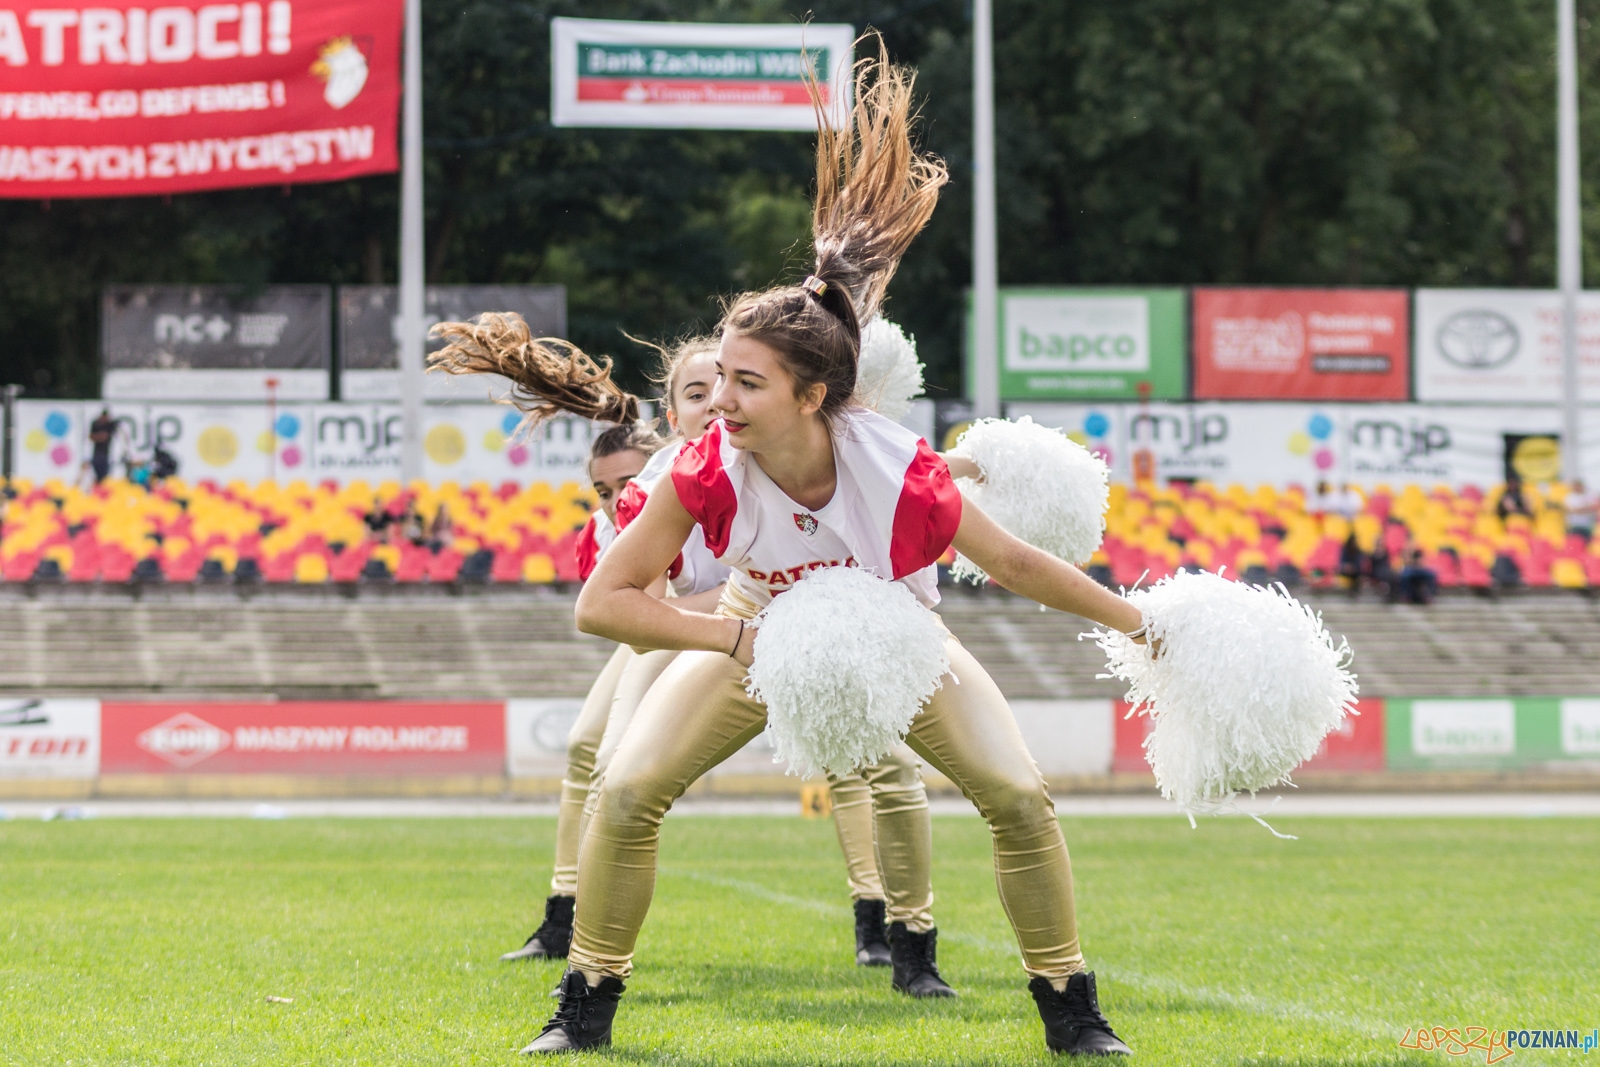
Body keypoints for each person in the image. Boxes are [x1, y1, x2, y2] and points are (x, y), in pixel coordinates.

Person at [454, 45, 1140, 1057]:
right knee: (630, 789)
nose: (719, 402)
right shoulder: (703, 467)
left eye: (746, 384)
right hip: (753, 629)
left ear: (811, 394)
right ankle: (584, 1005)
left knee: (1018, 795)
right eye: (717, 377)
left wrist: (1142, 624)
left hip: (893, 634)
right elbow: (602, 602)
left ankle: (1070, 1007)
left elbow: (1016, 563)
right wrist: (736, 645)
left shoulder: (897, 467)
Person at [88, 408, 116, 484]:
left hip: (106, 453)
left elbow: (107, 436)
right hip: (97, 453)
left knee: (105, 475)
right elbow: (91, 436)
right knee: (96, 473)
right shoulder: (96, 424)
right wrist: (100, 436)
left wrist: (99, 436)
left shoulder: (109, 425)